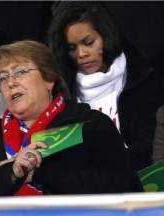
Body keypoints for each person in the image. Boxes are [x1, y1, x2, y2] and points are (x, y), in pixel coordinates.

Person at [0, 40, 141, 196]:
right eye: (3, 77)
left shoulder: (88, 126)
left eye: (21, 72)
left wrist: (39, 173)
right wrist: (12, 173)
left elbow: (117, 188)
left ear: (49, 79)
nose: (10, 82)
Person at [48, 2, 164, 171]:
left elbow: (151, 148)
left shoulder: (143, 82)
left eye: (88, 42)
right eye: (72, 48)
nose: (81, 54)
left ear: (106, 36)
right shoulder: (60, 91)